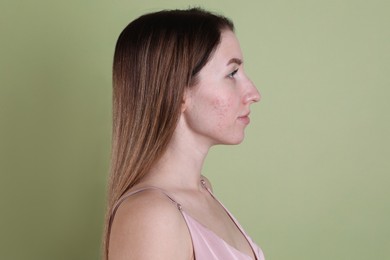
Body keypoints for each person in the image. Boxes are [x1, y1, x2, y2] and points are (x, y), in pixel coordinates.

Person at [103, 8, 265, 260]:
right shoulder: (152, 216)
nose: (253, 93)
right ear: (178, 92)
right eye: (232, 74)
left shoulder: (202, 190)